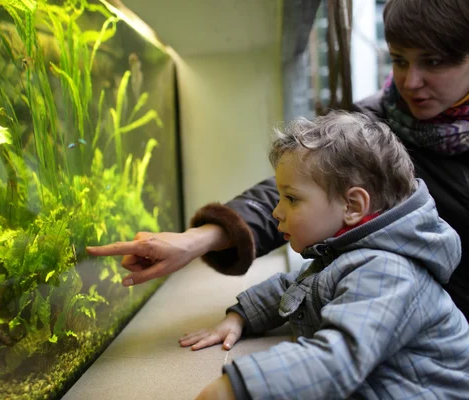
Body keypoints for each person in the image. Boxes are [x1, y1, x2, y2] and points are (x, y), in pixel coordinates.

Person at [86, 0, 469, 321]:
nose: (411, 81)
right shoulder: (374, 124)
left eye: (433, 63)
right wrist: (198, 240)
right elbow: (304, 187)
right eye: (400, 61)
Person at [185, 111, 469, 399]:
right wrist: (240, 317)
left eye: (291, 198)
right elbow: (294, 286)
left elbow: (337, 358)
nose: (276, 212)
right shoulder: (347, 255)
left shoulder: (387, 271)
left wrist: (238, 386)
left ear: (353, 206)